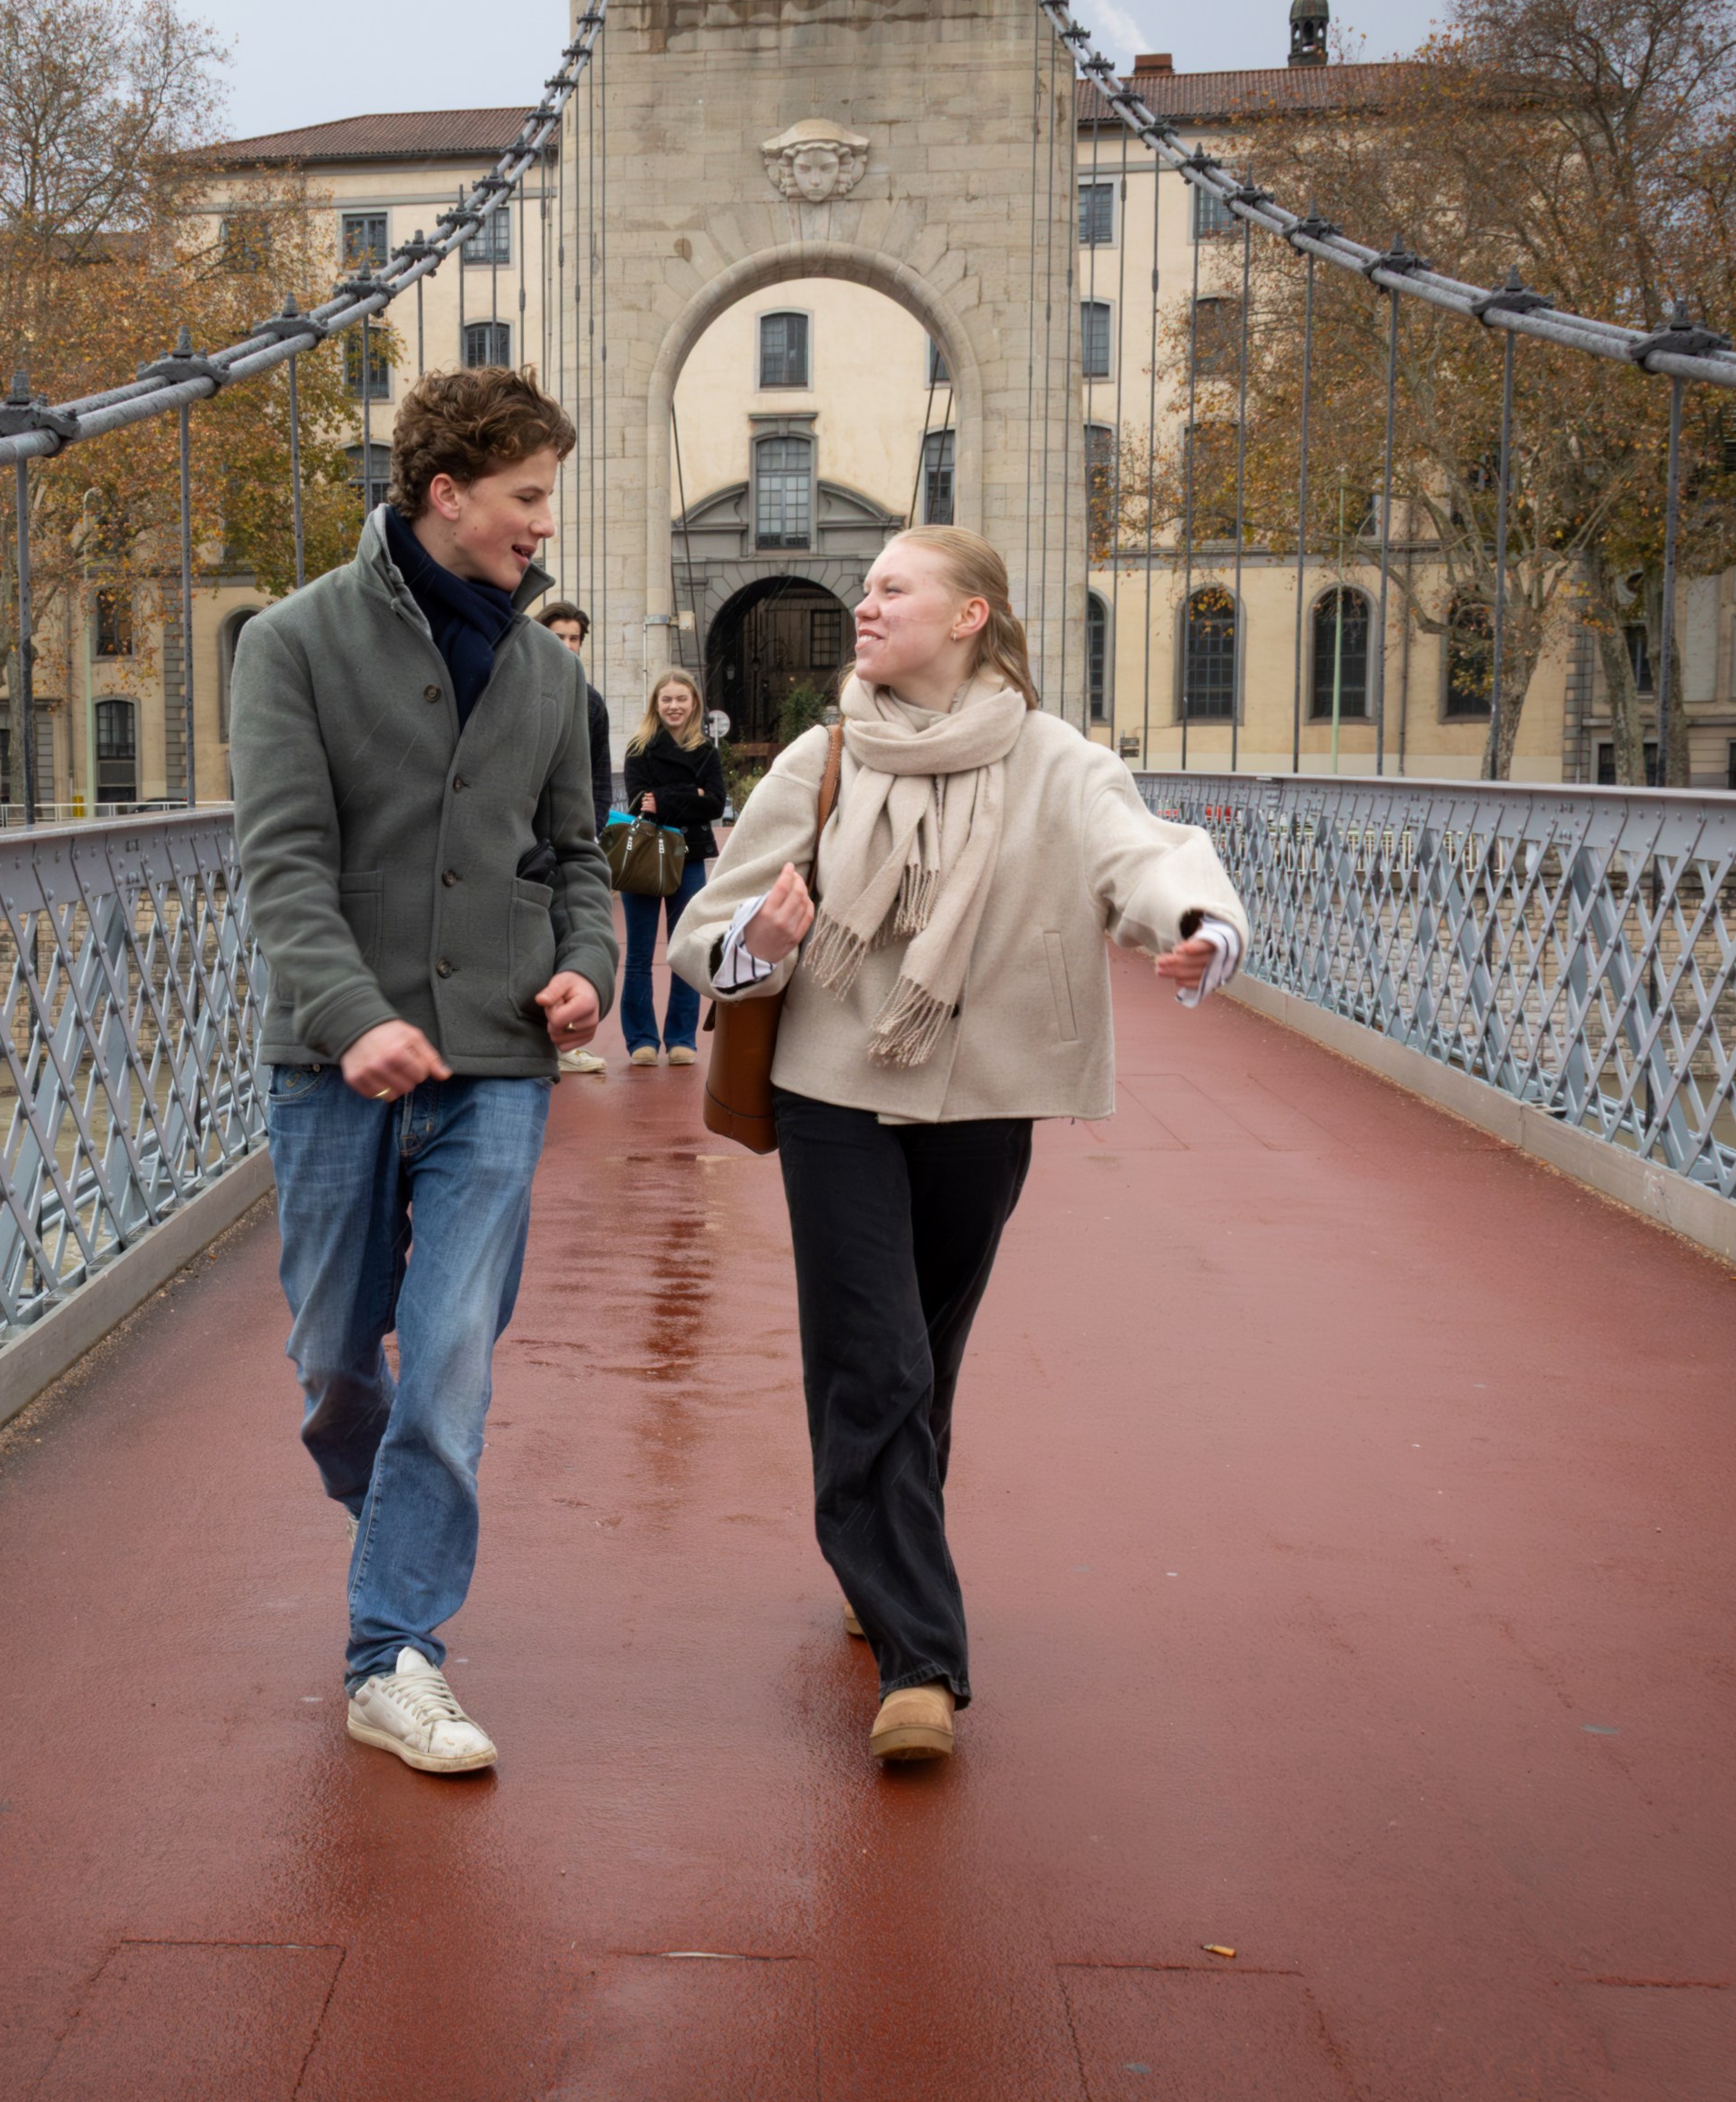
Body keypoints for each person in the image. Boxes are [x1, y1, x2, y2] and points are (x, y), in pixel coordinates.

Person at [668, 525, 1247, 1766]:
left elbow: (1140, 857)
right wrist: (760, 943)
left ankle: (875, 1547)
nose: (863, 608)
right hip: (832, 1085)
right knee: (875, 1357)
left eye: (891, 588)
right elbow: (704, 933)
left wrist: (1196, 920)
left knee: (924, 1350)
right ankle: (922, 1661)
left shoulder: (1058, 760)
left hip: (987, 1094)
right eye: (865, 590)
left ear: (972, 614)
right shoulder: (823, 758)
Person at [230, 366, 618, 1775]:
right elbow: (278, 861)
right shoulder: (291, 643)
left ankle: (394, 1654)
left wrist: (590, 968)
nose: (542, 527)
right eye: (526, 498)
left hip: (502, 1059)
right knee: (338, 1363)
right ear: (446, 492)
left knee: (447, 1359)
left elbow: (575, 856)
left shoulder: (555, 671)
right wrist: (348, 1015)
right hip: (335, 1060)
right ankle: (404, 1504)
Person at [618, 666, 723, 1067]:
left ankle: (682, 1038)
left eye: (681, 699)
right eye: (667, 699)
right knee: (640, 953)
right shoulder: (638, 747)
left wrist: (662, 799)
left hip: (689, 856)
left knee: (684, 951)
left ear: (694, 703)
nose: (674, 706)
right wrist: (687, 794)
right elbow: (636, 799)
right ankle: (641, 1039)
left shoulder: (707, 751)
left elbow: (714, 802)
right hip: (644, 855)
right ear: (655, 704)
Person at [532, 599, 614, 1076]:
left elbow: (599, 776)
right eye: (558, 637)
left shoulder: (591, 702)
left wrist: (593, 830)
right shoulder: (518, 687)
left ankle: (563, 1042)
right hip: (521, 841)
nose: (567, 647)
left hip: (567, 839)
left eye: (574, 639)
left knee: (572, 936)